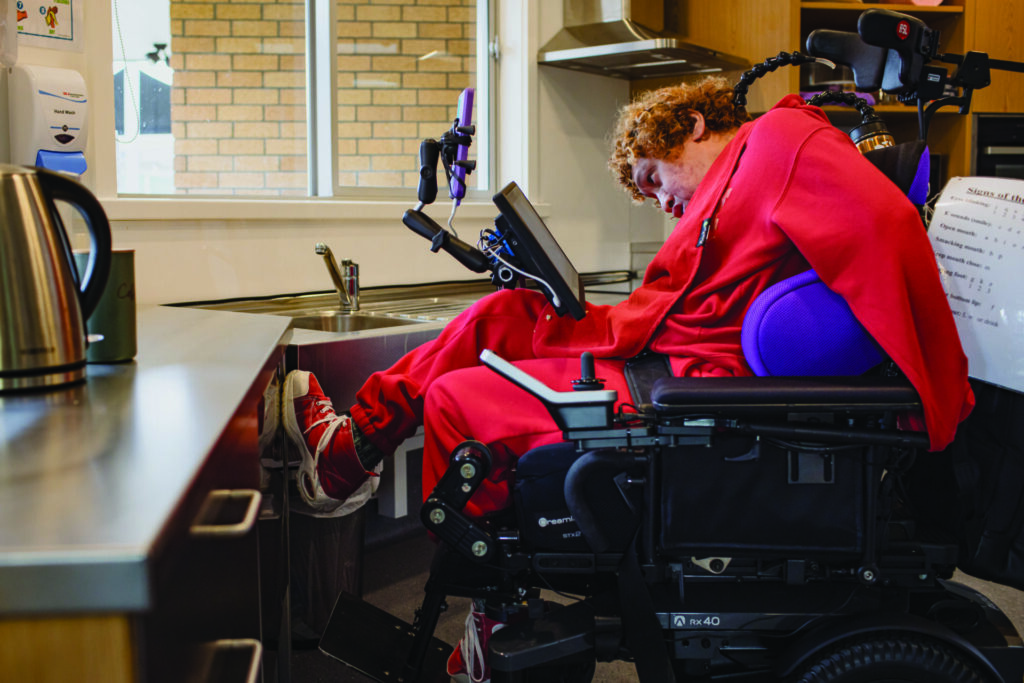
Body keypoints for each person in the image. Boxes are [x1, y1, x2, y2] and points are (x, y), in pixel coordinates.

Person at [282, 76, 975, 683]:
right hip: (663, 350)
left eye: (653, 178)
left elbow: (885, 222)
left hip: (691, 380)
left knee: (459, 399)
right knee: (504, 313)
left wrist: (920, 382)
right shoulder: (739, 176)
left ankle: (493, 607)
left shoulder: (779, 139)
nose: (660, 202)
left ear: (693, 126)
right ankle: (353, 451)